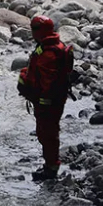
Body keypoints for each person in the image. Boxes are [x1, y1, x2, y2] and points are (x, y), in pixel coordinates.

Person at [18, 15, 75, 181]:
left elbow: (46, 83)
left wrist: (27, 82)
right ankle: (50, 164)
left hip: (47, 103)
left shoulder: (49, 53)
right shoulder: (53, 46)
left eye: (34, 29)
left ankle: (51, 168)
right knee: (48, 133)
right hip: (53, 100)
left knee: (47, 134)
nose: (32, 32)